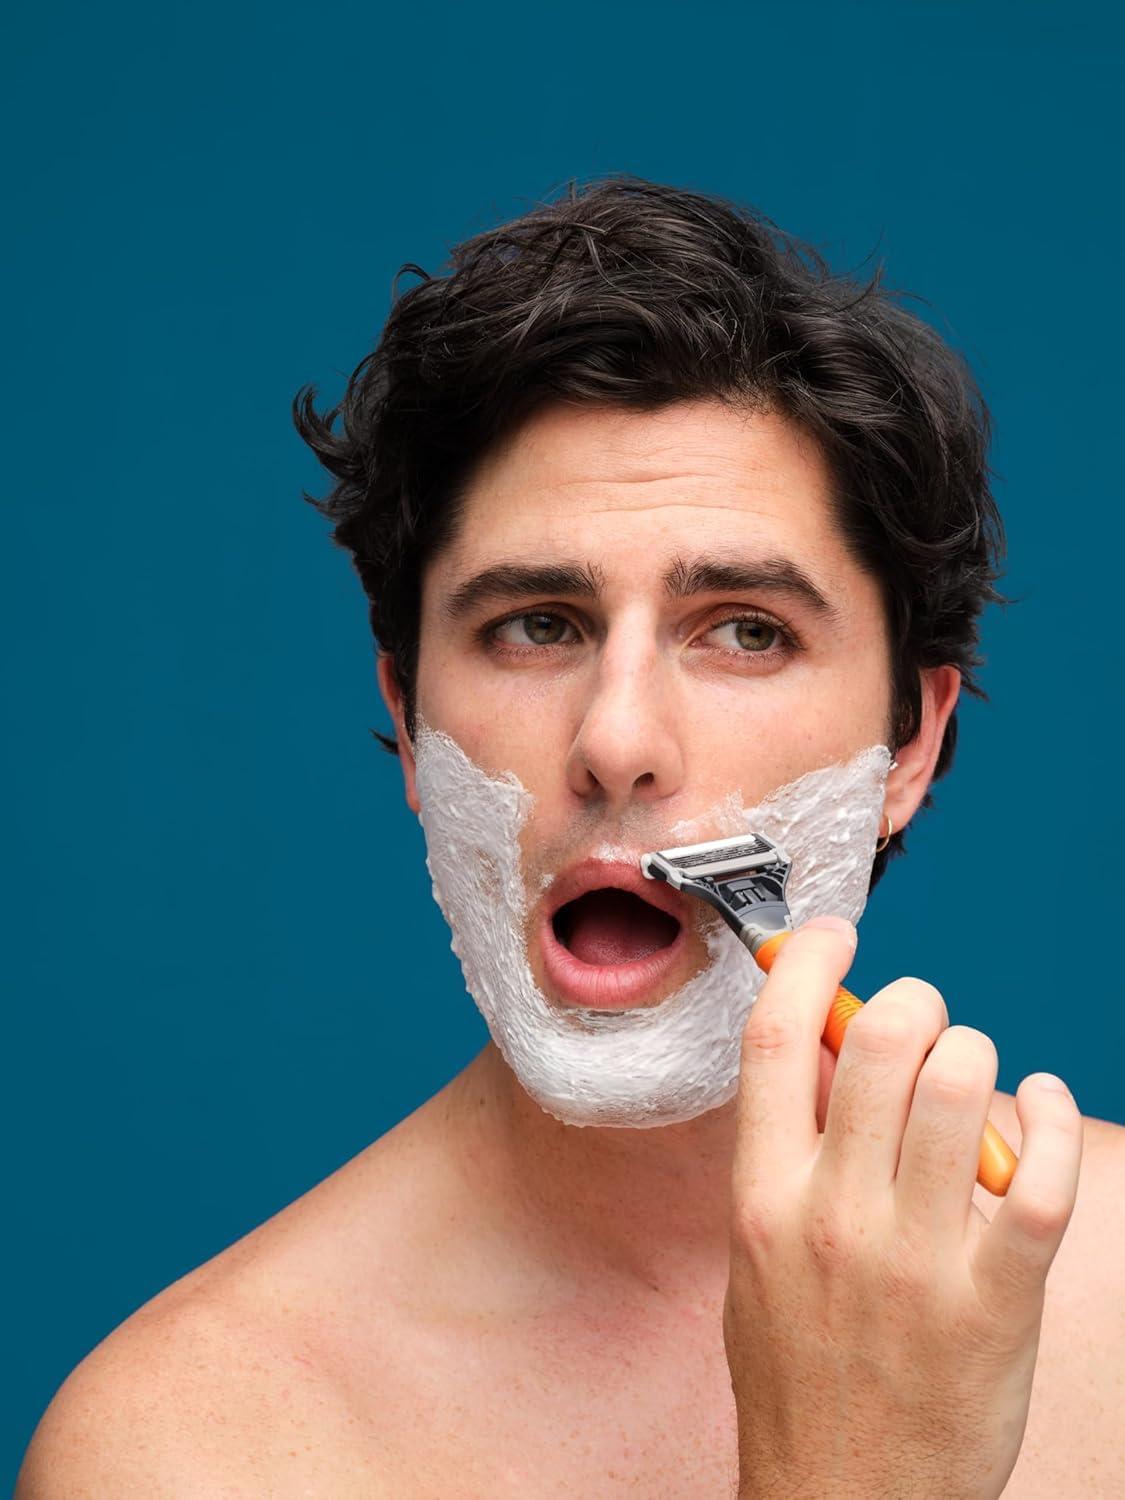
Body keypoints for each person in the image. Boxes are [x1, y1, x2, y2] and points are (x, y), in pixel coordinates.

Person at [17, 177, 1123, 1498]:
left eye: (746, 630)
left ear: (911, 746)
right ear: (410, 721)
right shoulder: (186, 1451)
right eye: (536, 625)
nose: (617, 739)